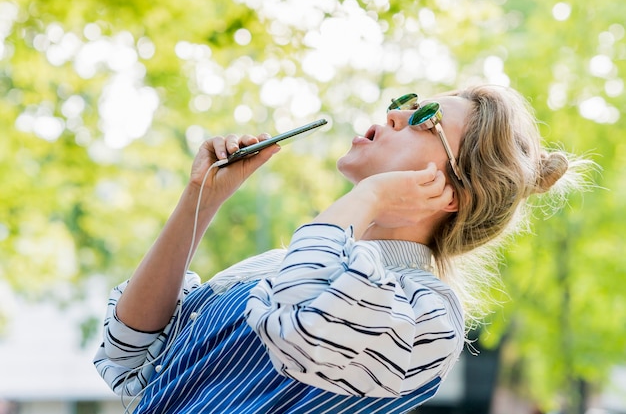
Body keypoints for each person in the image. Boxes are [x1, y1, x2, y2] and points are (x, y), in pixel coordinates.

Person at [93, 85, 592, 413]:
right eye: (407, 101)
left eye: (426, 118)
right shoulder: (288, 264)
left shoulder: (429, 315)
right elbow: (129, 358)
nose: (394, 114)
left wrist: (369, 197)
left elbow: (305, 327)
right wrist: (201, 199)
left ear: (454, 192)